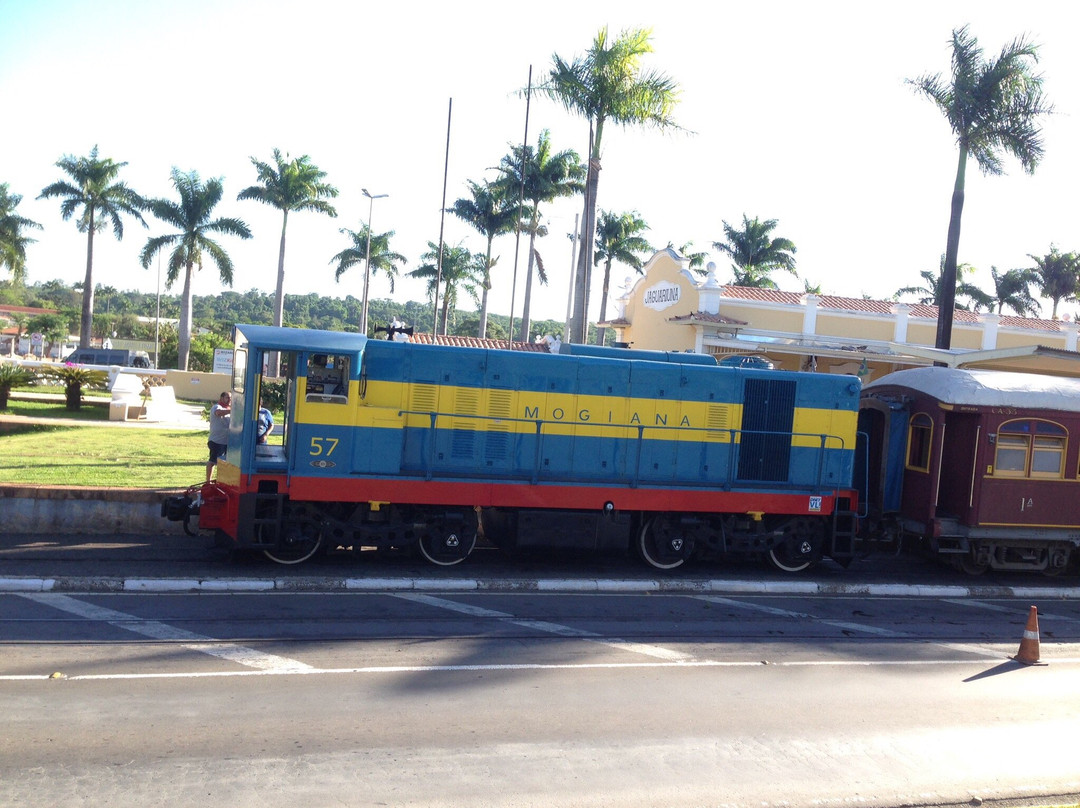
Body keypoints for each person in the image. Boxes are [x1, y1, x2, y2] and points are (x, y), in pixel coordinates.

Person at [206, 391, 231, 482]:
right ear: (221, 398)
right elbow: (218, 413)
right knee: (213, 461)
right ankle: (208, 481)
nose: (229, 400)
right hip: (216, 441)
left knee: (225, 463)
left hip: (227, 442)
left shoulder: (230, 411)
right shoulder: (217, 407)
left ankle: (221, 481)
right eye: (227, 397)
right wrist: (233, 410)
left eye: (230, 398)